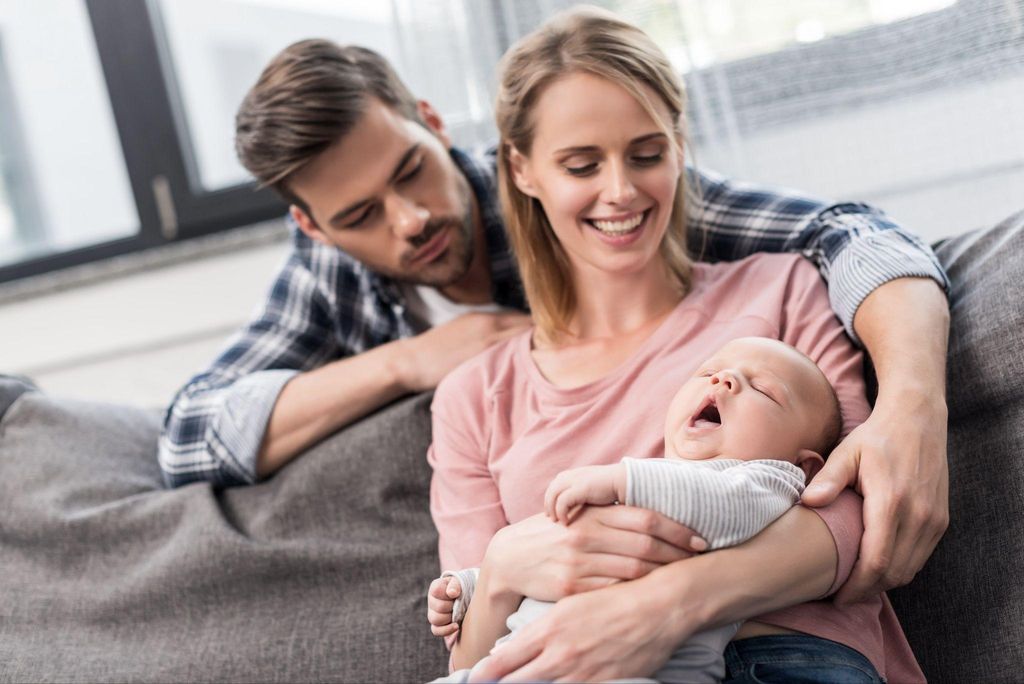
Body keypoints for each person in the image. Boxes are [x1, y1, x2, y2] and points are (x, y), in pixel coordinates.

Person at [157, 21, 950, 604]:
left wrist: (912, 402)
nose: (408, 220)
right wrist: (411, 361)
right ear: (314, 227)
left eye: (412, 171)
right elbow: (191, 432)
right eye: (360, 215)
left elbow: (846, 235)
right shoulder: (338, 284)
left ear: (433, 123)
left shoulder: (594, 200)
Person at [426, 7, 925, 682]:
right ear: (521, 169)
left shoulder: (777, 290)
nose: (621, 191)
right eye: (581, 164)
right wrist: (510, 560)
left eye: (647, 154)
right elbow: (472, 654)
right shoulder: (473, 398)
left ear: (680, 144)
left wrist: (665, 606)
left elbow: (861, 510)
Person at [427, 336, 872, 683]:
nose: (725, 380)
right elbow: (544, 549)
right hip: (521, 657)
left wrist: (625, 479)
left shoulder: (768, 483)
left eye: (765, 390)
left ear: (802, 462)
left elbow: (719, 507)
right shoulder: (645, 481)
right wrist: (473, 585)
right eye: (710, 372)